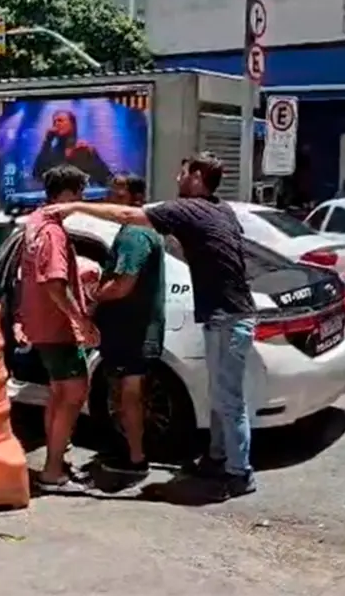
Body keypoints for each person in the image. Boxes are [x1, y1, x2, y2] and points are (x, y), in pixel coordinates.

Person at [44, 151, 258, 500]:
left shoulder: (190, 209)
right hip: (225, 315)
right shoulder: (220, 209)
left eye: (184, 173)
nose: (178, 178)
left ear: (199, 177)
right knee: (220, 397)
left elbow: (131, 217)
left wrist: (75, 209)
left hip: (228, 317)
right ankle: (218, 458)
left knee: (229, 400)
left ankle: (240, 472)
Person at [16, 164, 100, 493]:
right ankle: (53, 472)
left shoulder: (35, 223)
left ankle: (56, 460)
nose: (79, 200)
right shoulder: (52, 231)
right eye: (77, 193)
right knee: (74, 394)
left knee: (59, 394)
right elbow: (54, 283)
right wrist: (81, 320)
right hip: (58, 328)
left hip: (42, 325)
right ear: (63, 194)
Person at [89, 174, 164, 476]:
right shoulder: (143, 230)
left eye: (117, 192)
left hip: (130, 333)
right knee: (130, 395)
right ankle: (132, 451)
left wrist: (92, 296)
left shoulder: (134, 235)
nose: (110, 195)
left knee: (128, 396)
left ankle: (135, 459)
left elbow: (122, 286)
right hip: (134, 330)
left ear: (135, 198)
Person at [32, 110, 112, 187]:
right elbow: (37, 176)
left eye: (60, 121)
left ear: (72, 124)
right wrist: (47, 142)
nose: (56, 124)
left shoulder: (86, 150)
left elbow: (106, 179)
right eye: (54, 122)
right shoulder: (50, 152)